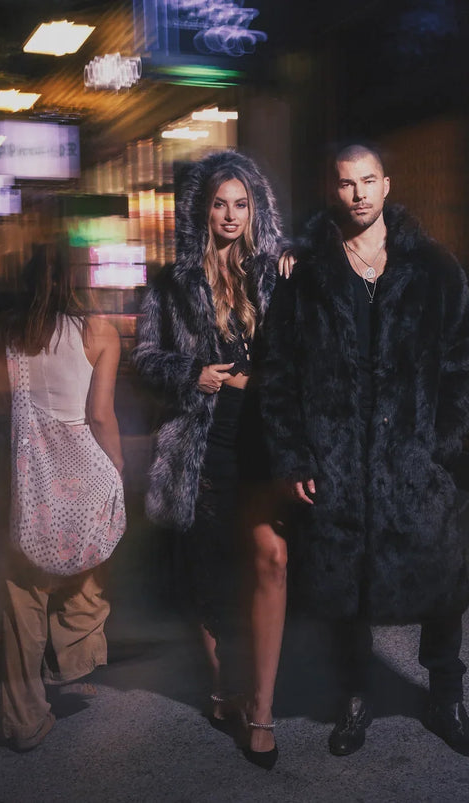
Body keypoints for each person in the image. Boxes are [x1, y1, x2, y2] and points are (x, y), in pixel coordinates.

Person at [261, 142, 469, 759]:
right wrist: (296, 457)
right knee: (345, 594)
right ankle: (354, 699)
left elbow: (464, 360)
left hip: (414, 464)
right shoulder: (304, 271)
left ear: (386, 185)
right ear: (331, 190)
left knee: (443, 587)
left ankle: (447, 698)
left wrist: (439, 442)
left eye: (368, 181)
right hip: (335, 467)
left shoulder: (434, 267)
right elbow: (277, 373)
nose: (358, 194)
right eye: (345, 183)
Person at [132, 150, 287, 769]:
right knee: (209, 571)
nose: (230, 215)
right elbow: (145, 357)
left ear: (255, 211)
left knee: (270, 559)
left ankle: (264, 708)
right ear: (204, 210)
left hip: (266, 439)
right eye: (220, 204)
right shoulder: (171, 282)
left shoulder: (275, 272)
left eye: (241, 204)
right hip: (201, 442)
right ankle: (224, 682)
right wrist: (193, 373)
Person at [0, 244, 125, 752]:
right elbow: (100, 415)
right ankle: (73, 658)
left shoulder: (13, 335)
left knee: (24, 595)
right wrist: (117, 467)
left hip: (30, 478)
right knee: (91, 561)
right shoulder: (99, 332)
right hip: (83, 469)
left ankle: (24, 718)